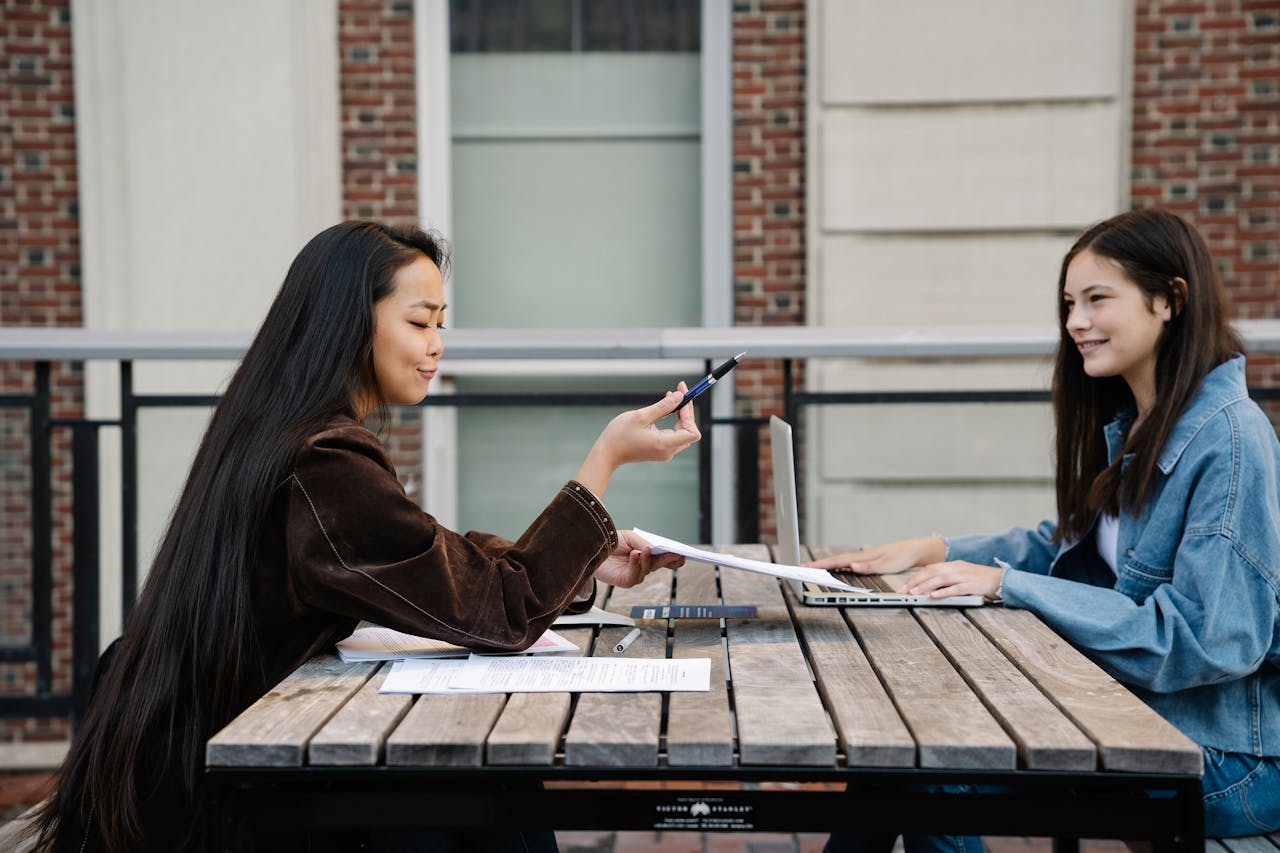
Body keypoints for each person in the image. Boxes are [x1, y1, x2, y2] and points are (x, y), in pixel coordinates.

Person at [28, 221, 701, 852]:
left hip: (214, 756)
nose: (437, 343)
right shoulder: (325, 462)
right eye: (418, 322)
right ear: (352, 323)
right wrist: (603, 462)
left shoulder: (280, 430)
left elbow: (429, 561)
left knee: (482, 782)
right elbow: (499, 610)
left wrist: (581, 563)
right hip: (237, 790)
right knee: (494, 791)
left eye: (441, 324)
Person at [813, 207, 1280, 850]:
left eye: (1096, 300)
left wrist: (1009, 586)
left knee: (928, 772)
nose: (1075, 324)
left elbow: (1207, 639)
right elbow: (1065, 548)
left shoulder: (1228, 438)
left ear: (1169, 300)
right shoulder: (1138, 421)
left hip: (1223, 757)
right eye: (1069, 303)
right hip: (1141, 716)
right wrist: (932, 549)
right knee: (899, 751)